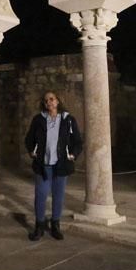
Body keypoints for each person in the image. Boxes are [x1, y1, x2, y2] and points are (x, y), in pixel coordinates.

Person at [24, 91, 83, 241]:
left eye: (52, 99)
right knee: (41, 195)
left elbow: (77, 141)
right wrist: (32, 151)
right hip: (43, 166)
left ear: (58, 101)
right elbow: (29, 138)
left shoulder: (68, 119)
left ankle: (55, 225)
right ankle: (39, 226)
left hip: (61, 165)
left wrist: (73, 155)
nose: (49, 102)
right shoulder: (38, 119)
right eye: (46, 100)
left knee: (58, 196)